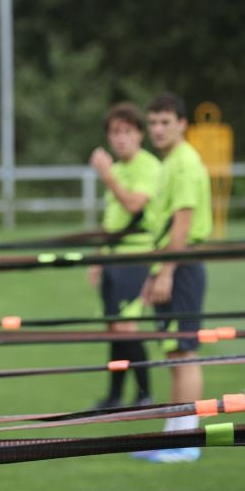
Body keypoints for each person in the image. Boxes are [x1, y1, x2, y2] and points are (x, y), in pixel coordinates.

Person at [133, 92, 213, 463]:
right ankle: (172, 434)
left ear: (182, 124)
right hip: (170, 264)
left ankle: (189, 440)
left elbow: (182, 224)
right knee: (173, 352)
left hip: (183, 265)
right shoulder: (169, 163)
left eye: (165, 122)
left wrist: (166, 270)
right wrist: (155, 273)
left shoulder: (183, 163)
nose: (158, 129)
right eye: (153, 123)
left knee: (185, 351)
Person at [87, 102, 163, 408]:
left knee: (127, 328)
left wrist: (107, 177)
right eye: (115, 132)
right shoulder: (117, 169)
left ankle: (145, 395)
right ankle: (115, 396)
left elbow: (134, 205)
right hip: (113, 259)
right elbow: (112, 221)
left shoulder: (148, 166)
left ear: (140, 135)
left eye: (127, 132)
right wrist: (99, 257)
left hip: (137, 258)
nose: (120, 139)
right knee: (113, 330)